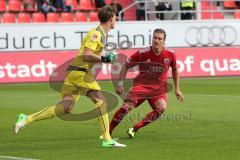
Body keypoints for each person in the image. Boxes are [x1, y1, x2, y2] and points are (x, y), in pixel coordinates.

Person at [14, 6, 126, 148]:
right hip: (81, 72)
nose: (116, 20)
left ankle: (25, 119)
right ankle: (107, 139)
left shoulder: (103, 34)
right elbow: (86, 55)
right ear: (111, 18)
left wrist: (107, 56)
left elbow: (94, 53)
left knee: (65, 107)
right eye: (115, 17)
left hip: (74, 72)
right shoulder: (96, 34)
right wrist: (104, 59)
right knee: (102, 102)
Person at [108, 28, 184, 138]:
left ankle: (135, 128)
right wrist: (120, 84)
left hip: (158, 88)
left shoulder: (170, 54)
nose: (156, 41)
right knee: (126, 107)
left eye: (159, 38)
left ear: (164, 41)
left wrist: (177, 89)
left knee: (162, 107)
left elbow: (175, 69)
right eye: (154, 38)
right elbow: (126, 66)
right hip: (141, 86)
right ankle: (108, 132)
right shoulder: (142, 53)